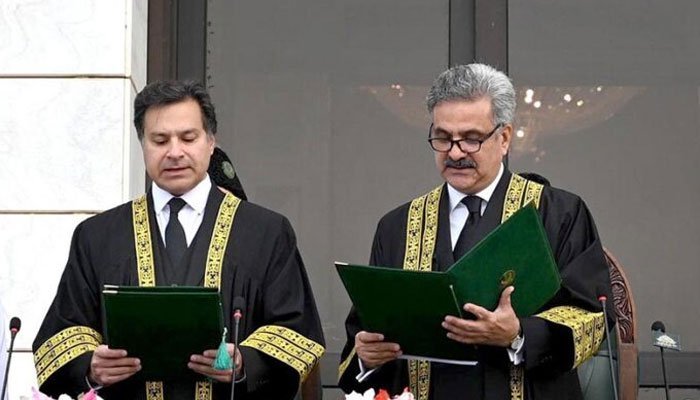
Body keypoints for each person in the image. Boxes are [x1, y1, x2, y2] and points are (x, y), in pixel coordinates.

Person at [33, 81, 325, 400]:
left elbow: (296, 333)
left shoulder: (265, 232)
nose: (174, 152)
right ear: (142, 144)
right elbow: (61, 336)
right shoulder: (97, 236)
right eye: (160, 140)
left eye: (188, 138)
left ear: (211, 142)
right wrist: (90, 368)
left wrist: (244, 363)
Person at [338, 64, 614, 400]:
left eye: (471, 139)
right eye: (443, 137)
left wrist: (518, 334)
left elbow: (593, 319)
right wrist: (367, 357)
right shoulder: (398, 226)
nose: (455, 153)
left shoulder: (557, 213)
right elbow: (364, 332)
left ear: (504, 138)